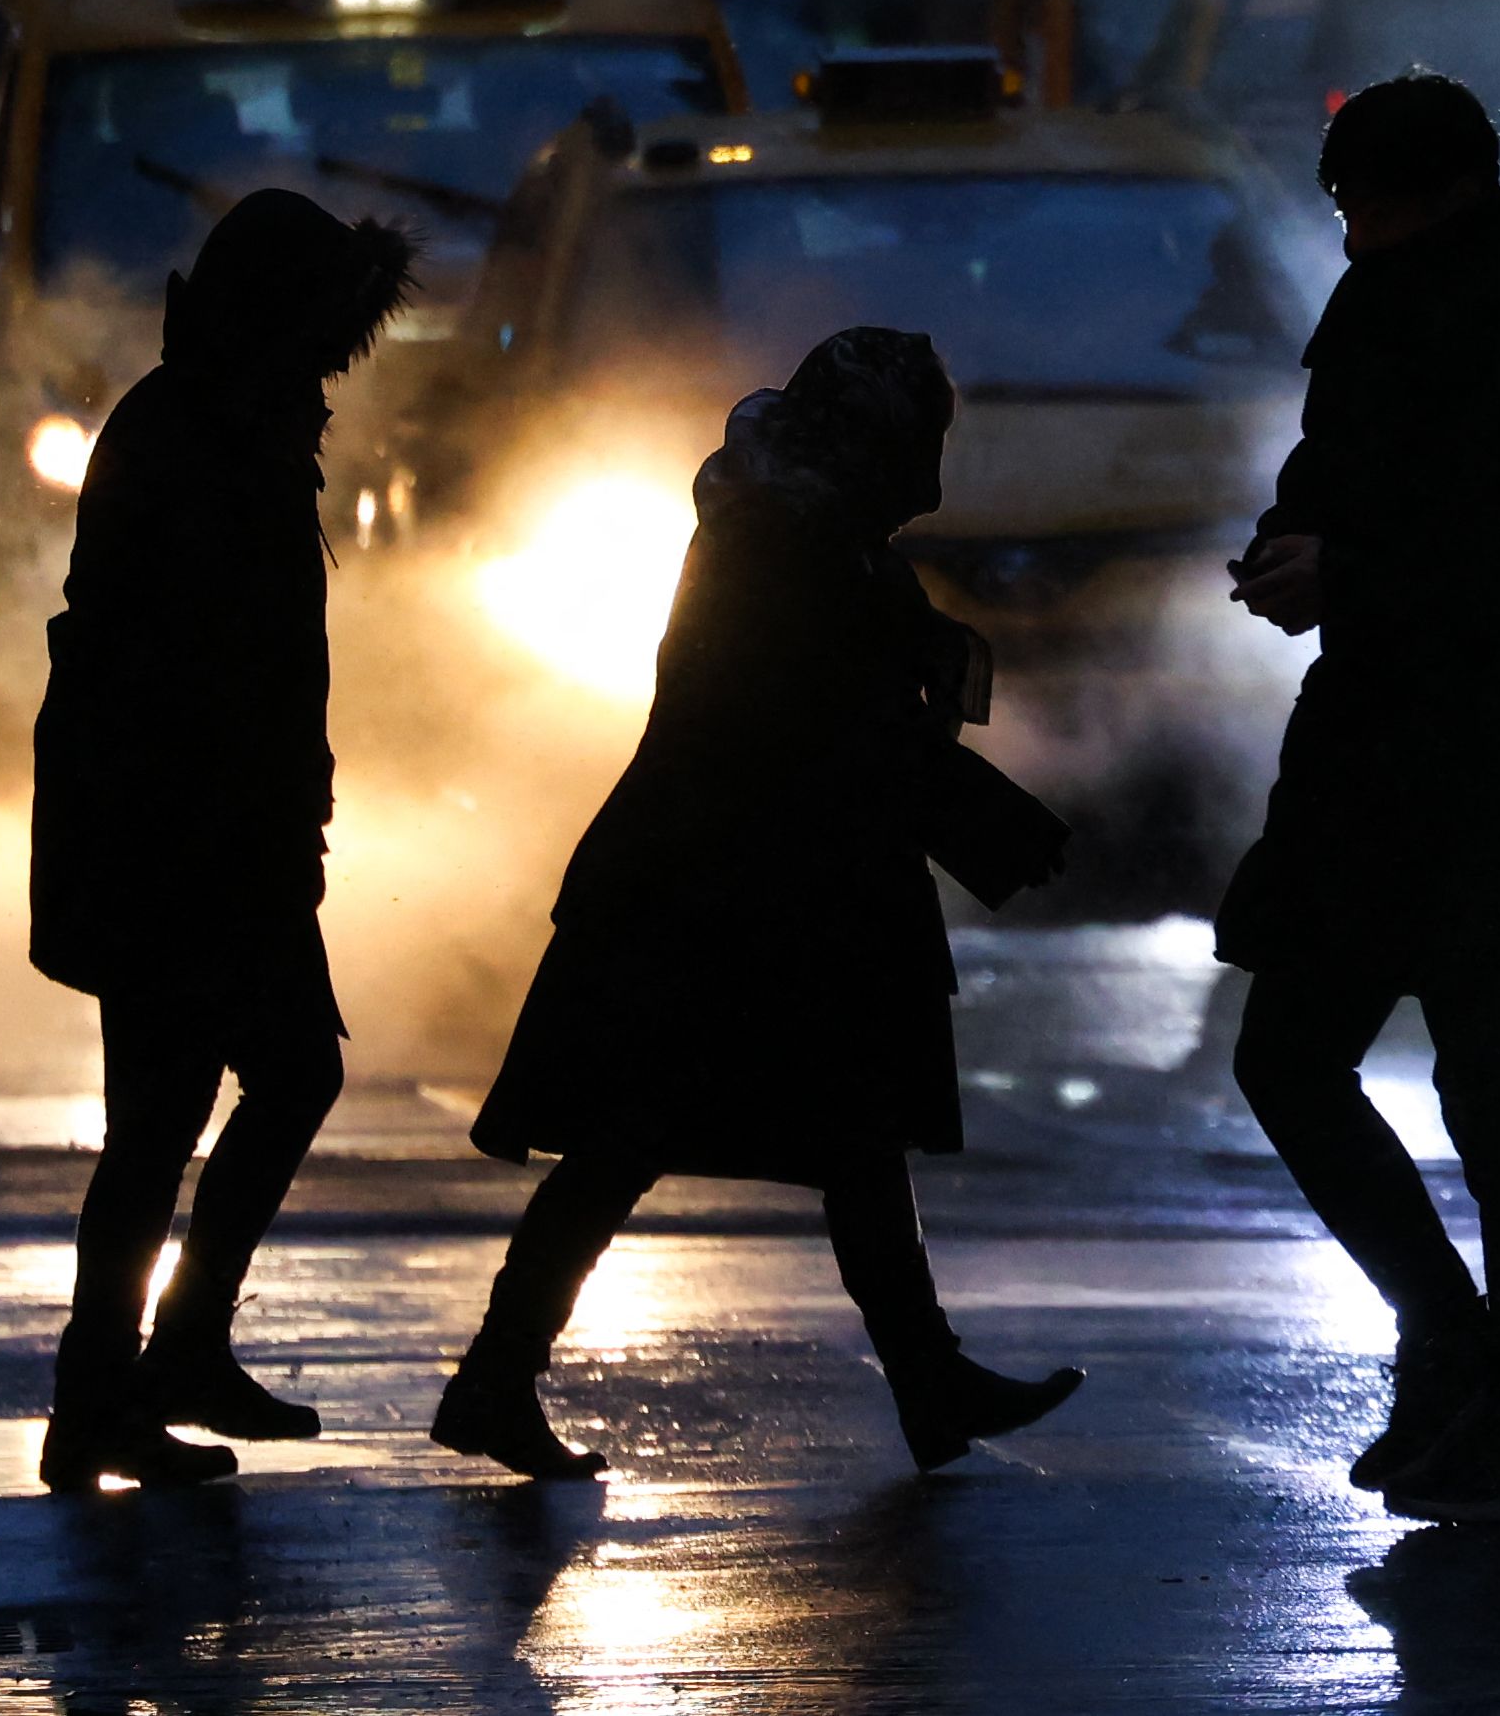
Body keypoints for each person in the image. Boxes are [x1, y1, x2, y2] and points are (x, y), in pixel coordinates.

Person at [435, 327, 1087, 1482]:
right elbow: (820, 727)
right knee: (663, 1141)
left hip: (742, 893)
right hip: (720, 900)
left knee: (793, 1141)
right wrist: (985, 820)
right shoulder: (787, 544)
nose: (926, 473)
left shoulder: (801, 527)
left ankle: (923, 1382)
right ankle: (501, 1377)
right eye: (916, 441)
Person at [1221, 71, 1500, 1524]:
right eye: (1346, 206)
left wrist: (1343, 574)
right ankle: (1472, 1363)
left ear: (1453, 190)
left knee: (1480, 1086)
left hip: (1498, 773)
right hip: (1387, 763)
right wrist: (1293, 546)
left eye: (1371, 202)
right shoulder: (1391, 320)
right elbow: (1333, 483)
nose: (1353, 232)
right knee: (1337, 1064)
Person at [28, 187, 418, 1494]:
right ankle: (137, 1375)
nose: (330, 370)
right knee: (203, 1106)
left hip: (195, 833)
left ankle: (128, 1382)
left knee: (194, 1110)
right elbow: (210, 666)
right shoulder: (203, 436)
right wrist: (269, 813)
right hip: (182, 839)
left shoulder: (216, 417)